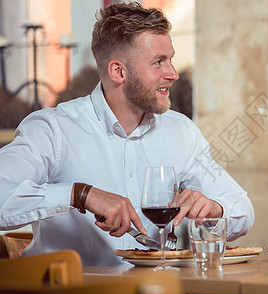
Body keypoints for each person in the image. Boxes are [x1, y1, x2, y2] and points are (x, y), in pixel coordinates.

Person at [0, 2, 254, 266]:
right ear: (118, 71)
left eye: (171, 59)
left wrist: (215, 208)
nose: (173, 74)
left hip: (157, 292)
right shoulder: (53, 129)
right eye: (159, 62)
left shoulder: (181, 132)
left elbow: (243, 210)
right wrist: (79, 195)